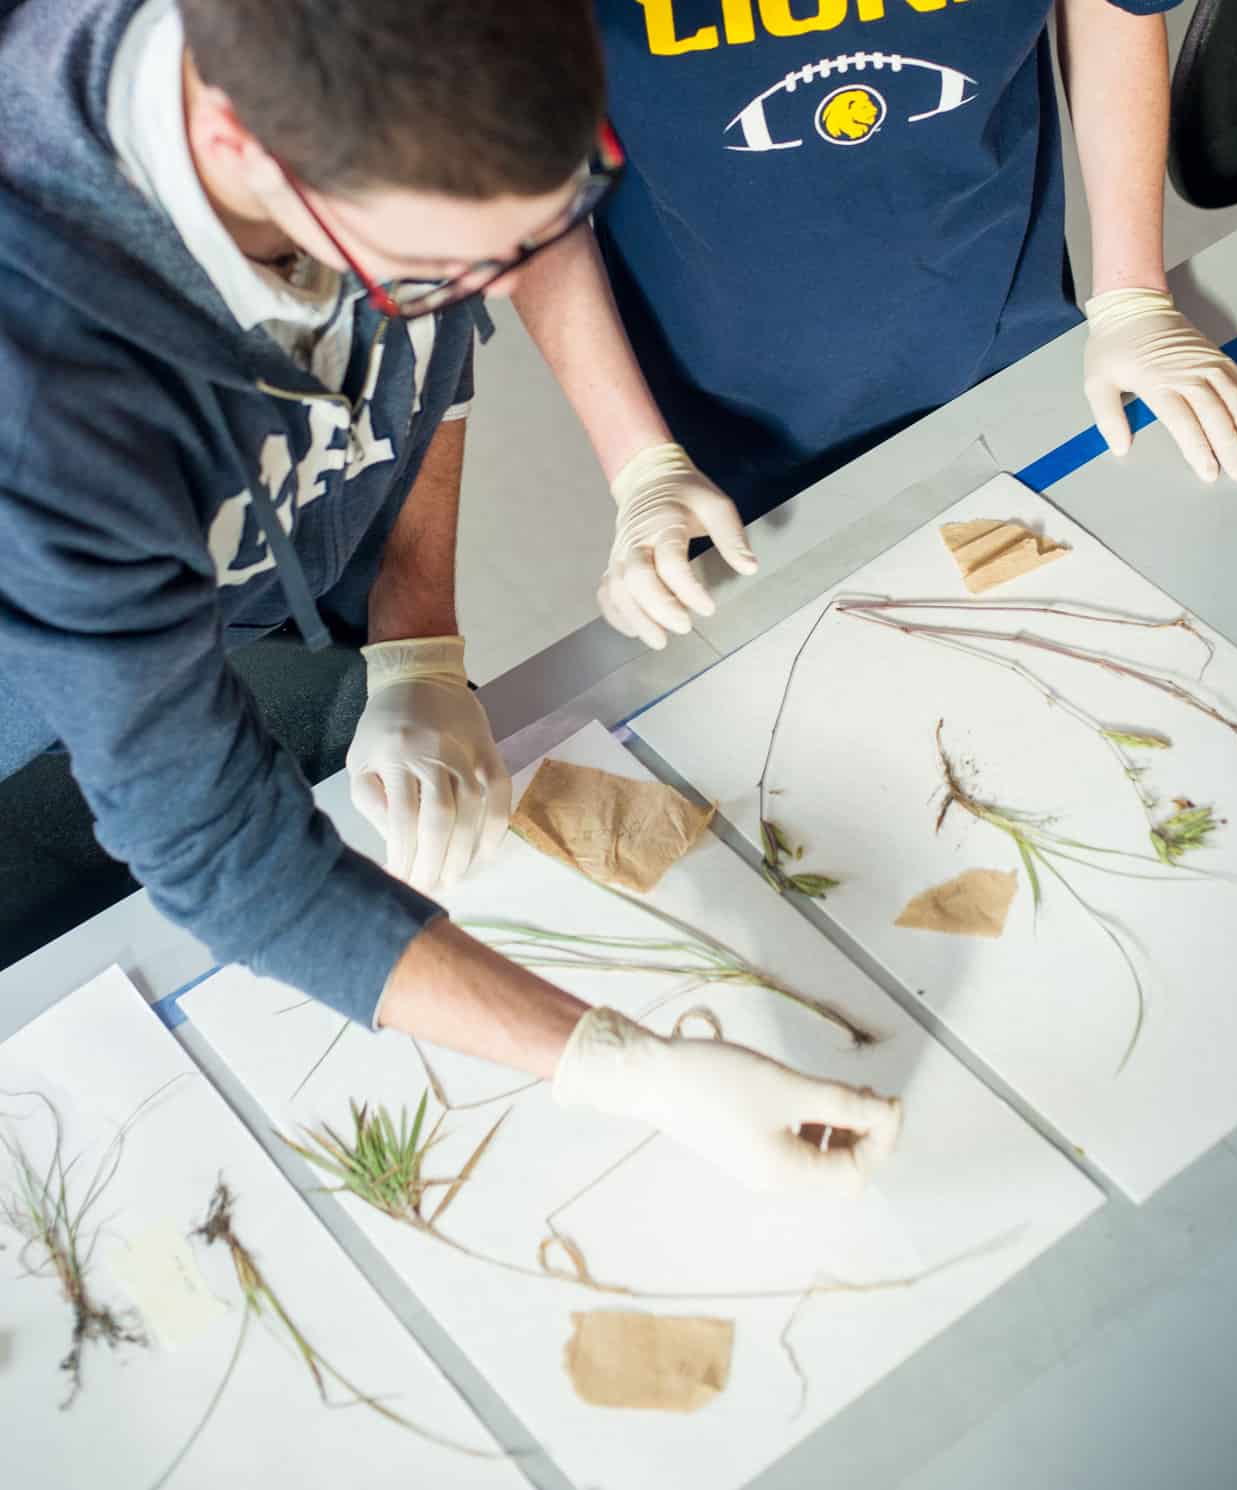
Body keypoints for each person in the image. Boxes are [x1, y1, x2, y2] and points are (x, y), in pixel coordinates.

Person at [0, 0, 900, 1192]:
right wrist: (631, 1069)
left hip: (250, 588)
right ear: (235, 147)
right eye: (434, 272)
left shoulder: (382, 128)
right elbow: (216, 851)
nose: (498, 287)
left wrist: (416, 639)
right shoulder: (47, 395)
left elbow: (426, 347)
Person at [510, 0, 1237, 652]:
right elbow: (511, 169)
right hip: (726, 410)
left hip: (1001, 325)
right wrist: (640, 462)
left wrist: (1132, 296)